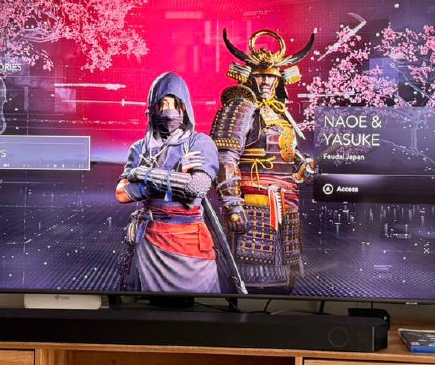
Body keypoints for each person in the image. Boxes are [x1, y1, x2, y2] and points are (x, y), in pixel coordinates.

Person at [210, 29, 316, 290]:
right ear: (248, 77)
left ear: (279, 80)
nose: (266, 82)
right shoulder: (239, 108)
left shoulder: (280, 114)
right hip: (253, 202)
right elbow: (225, 157)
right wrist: (233, 205)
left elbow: (285, 153)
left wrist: (303, 164)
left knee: (284, 278)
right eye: (260, 76)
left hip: (286, 204)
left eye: (271, 77)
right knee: (250, 276)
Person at [115, 72, 221, 293]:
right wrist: (176, 177)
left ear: (184, 107)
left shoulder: (199, 142)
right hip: (149, 238)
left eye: (175, 104)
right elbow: (121, 194)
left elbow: (196, 188)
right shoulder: (140, 148)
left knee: (201, 304)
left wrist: (142, 174)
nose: (169, 110)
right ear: (153, 107)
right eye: (163, 104)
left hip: (188, 240)